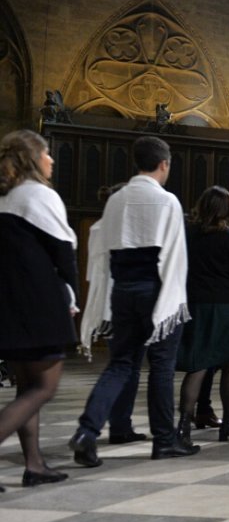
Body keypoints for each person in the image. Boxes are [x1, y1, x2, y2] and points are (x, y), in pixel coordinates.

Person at [70, 135, 195, 466]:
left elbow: (100, 248)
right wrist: (173, 302)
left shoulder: (116, 201)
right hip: (157, 290)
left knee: (121, 364)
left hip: (122, 290)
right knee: (162, 368)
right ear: (164, 164)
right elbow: (175, 257)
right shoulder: (167, 202)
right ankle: (165, 441)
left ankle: (86, 431)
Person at [0, 130, 76, 488]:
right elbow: (63, 253)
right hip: (39, 302)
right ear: (34, 158)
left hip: (11, 304)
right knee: (44, 387)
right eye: (47, 153)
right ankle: (33, 463)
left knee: (26, 388)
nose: (52, 160)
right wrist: (72, 297)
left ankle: (35, 464)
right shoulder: (40, 195)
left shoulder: (8, 198)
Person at [175, 186, 229, 445]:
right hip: (226, 306)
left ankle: (183, 428)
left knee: (198, 365)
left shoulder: (187, 235)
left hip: (196, 306)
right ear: (227, 209)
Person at [79, 182, 147, 444]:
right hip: (123, 303)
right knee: (124, 367)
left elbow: (91, 274)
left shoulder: (97, 228)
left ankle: (120, 425)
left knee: (124, 367)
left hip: (106, 303)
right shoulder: (122, 229)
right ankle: (95, 427)